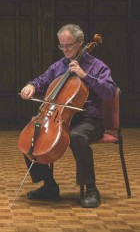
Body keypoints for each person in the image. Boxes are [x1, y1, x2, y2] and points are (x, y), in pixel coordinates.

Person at [20, 24, 117, 208]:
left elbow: (110, 92)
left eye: (69, 46)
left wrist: (84, 75)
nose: (65, 50)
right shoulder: (59, 66)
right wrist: (31, 85)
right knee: (32, 135)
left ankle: (91, 188)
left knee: (77, 136)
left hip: (90, 120)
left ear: (80, 43)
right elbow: (42, 80)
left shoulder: (97, 66)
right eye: (61, 46)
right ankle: (49, 186)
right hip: (61, 118)